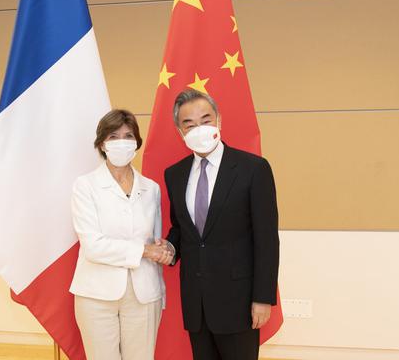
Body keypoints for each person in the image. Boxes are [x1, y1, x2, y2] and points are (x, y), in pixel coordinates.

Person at [163, 89, 280, 360]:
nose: (199, 128)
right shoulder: (175, 174)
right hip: (197, 303)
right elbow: (182, 229)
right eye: (188, 124)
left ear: (219, 121)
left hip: (239, 301)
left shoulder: (253, 169)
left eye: (206, 119)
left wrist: (262, 298)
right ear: (180, 132)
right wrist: (169, 247)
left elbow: (266, 239)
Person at [70, 109, 174, 360]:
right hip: (96, 294)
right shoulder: (85, 186)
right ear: (102, 143)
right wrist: (145, 251)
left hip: (144, 293)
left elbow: (156, 241)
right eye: (114, 136)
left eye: (128, 136)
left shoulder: (151, 188)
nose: (122, 142)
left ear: (137, 142)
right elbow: (93, 246)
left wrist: (165, 251)